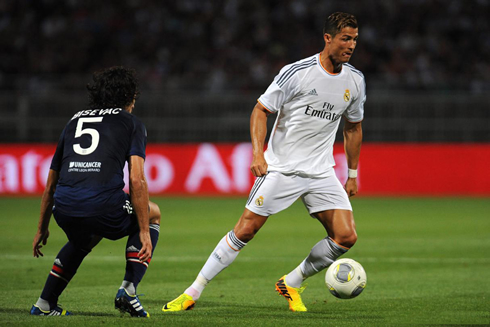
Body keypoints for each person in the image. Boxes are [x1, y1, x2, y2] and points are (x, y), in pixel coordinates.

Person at [162, 12, 365, 313]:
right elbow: (260, 110)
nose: (351, 45)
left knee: (346, 236)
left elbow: (353, 127)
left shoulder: (356, 80)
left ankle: (291, 282)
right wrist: (258, 154)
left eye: (355, 39)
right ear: (328, 38)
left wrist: (351, 173)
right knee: (244, 231)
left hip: (321, 171)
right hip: (282, 168)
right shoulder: (297, 73)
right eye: (345, 38)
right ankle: (192, 292)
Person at [30, 66, 161, 317]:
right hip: (103, 205)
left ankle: (44, 304)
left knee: (83, 238)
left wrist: (41, 228)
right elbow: (136, 180)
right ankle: (129, 290)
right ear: (130, 95)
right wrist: (144, 230)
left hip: (64, 208)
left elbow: (50, 185)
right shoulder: (132, 123)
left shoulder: (74, 120)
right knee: (153, 213)